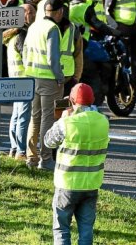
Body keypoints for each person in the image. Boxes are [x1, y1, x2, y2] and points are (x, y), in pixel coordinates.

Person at [44, 83, 110, 245]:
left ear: (72, 100)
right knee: (86, 230)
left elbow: (48, 142)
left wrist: (63, 117)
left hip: (67, 184)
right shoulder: (103, 121)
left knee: (61, 228)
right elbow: (93, 116)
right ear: (92, 100)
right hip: (91, 184)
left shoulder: (67, 123)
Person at [23, 0, 65, 171]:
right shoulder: (52, 28)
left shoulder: (34, 26)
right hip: (48, 79)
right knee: (48, 118)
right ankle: (46, 159)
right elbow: (52, 58)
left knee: (35, 118)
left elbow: (25, 51)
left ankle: (31, 157)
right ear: (59, 12)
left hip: (32, 77)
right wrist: (60, 77)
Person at [5, 3, 36, 160]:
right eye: (29, 12)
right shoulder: (23, 34)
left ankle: (14, 147)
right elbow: (27, 60)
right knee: (23, 117)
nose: (32, 15)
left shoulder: (12, 35)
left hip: (15, 79)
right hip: (24, 80)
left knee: (16, 115)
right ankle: (21, 151)